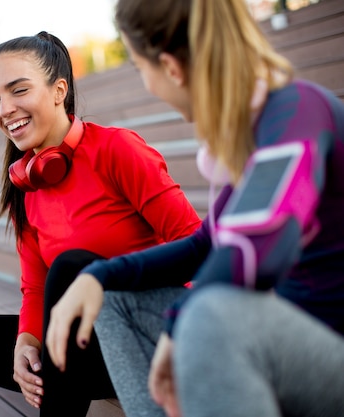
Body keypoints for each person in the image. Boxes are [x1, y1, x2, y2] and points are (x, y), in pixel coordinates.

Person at [45, 1, 344, 417]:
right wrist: (98, 275)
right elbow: (203, 246)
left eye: (139, 67)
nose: (146, 83)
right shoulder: (245, 133)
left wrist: (178, 325)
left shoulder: (296, 113)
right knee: (112, 297)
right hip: (282, 340)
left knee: (208, 313)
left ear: (170, 67)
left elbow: (258, 245)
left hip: (329, 352)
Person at [0, 31, 201, 417]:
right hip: (73, 344)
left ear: (59, 90)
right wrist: (25, 341)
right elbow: (35, 286)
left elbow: (193, 242)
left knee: (72, 268)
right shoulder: (26, 181)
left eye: (18, 90)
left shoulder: (117, 150)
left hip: (144, 331)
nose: (4, 109)